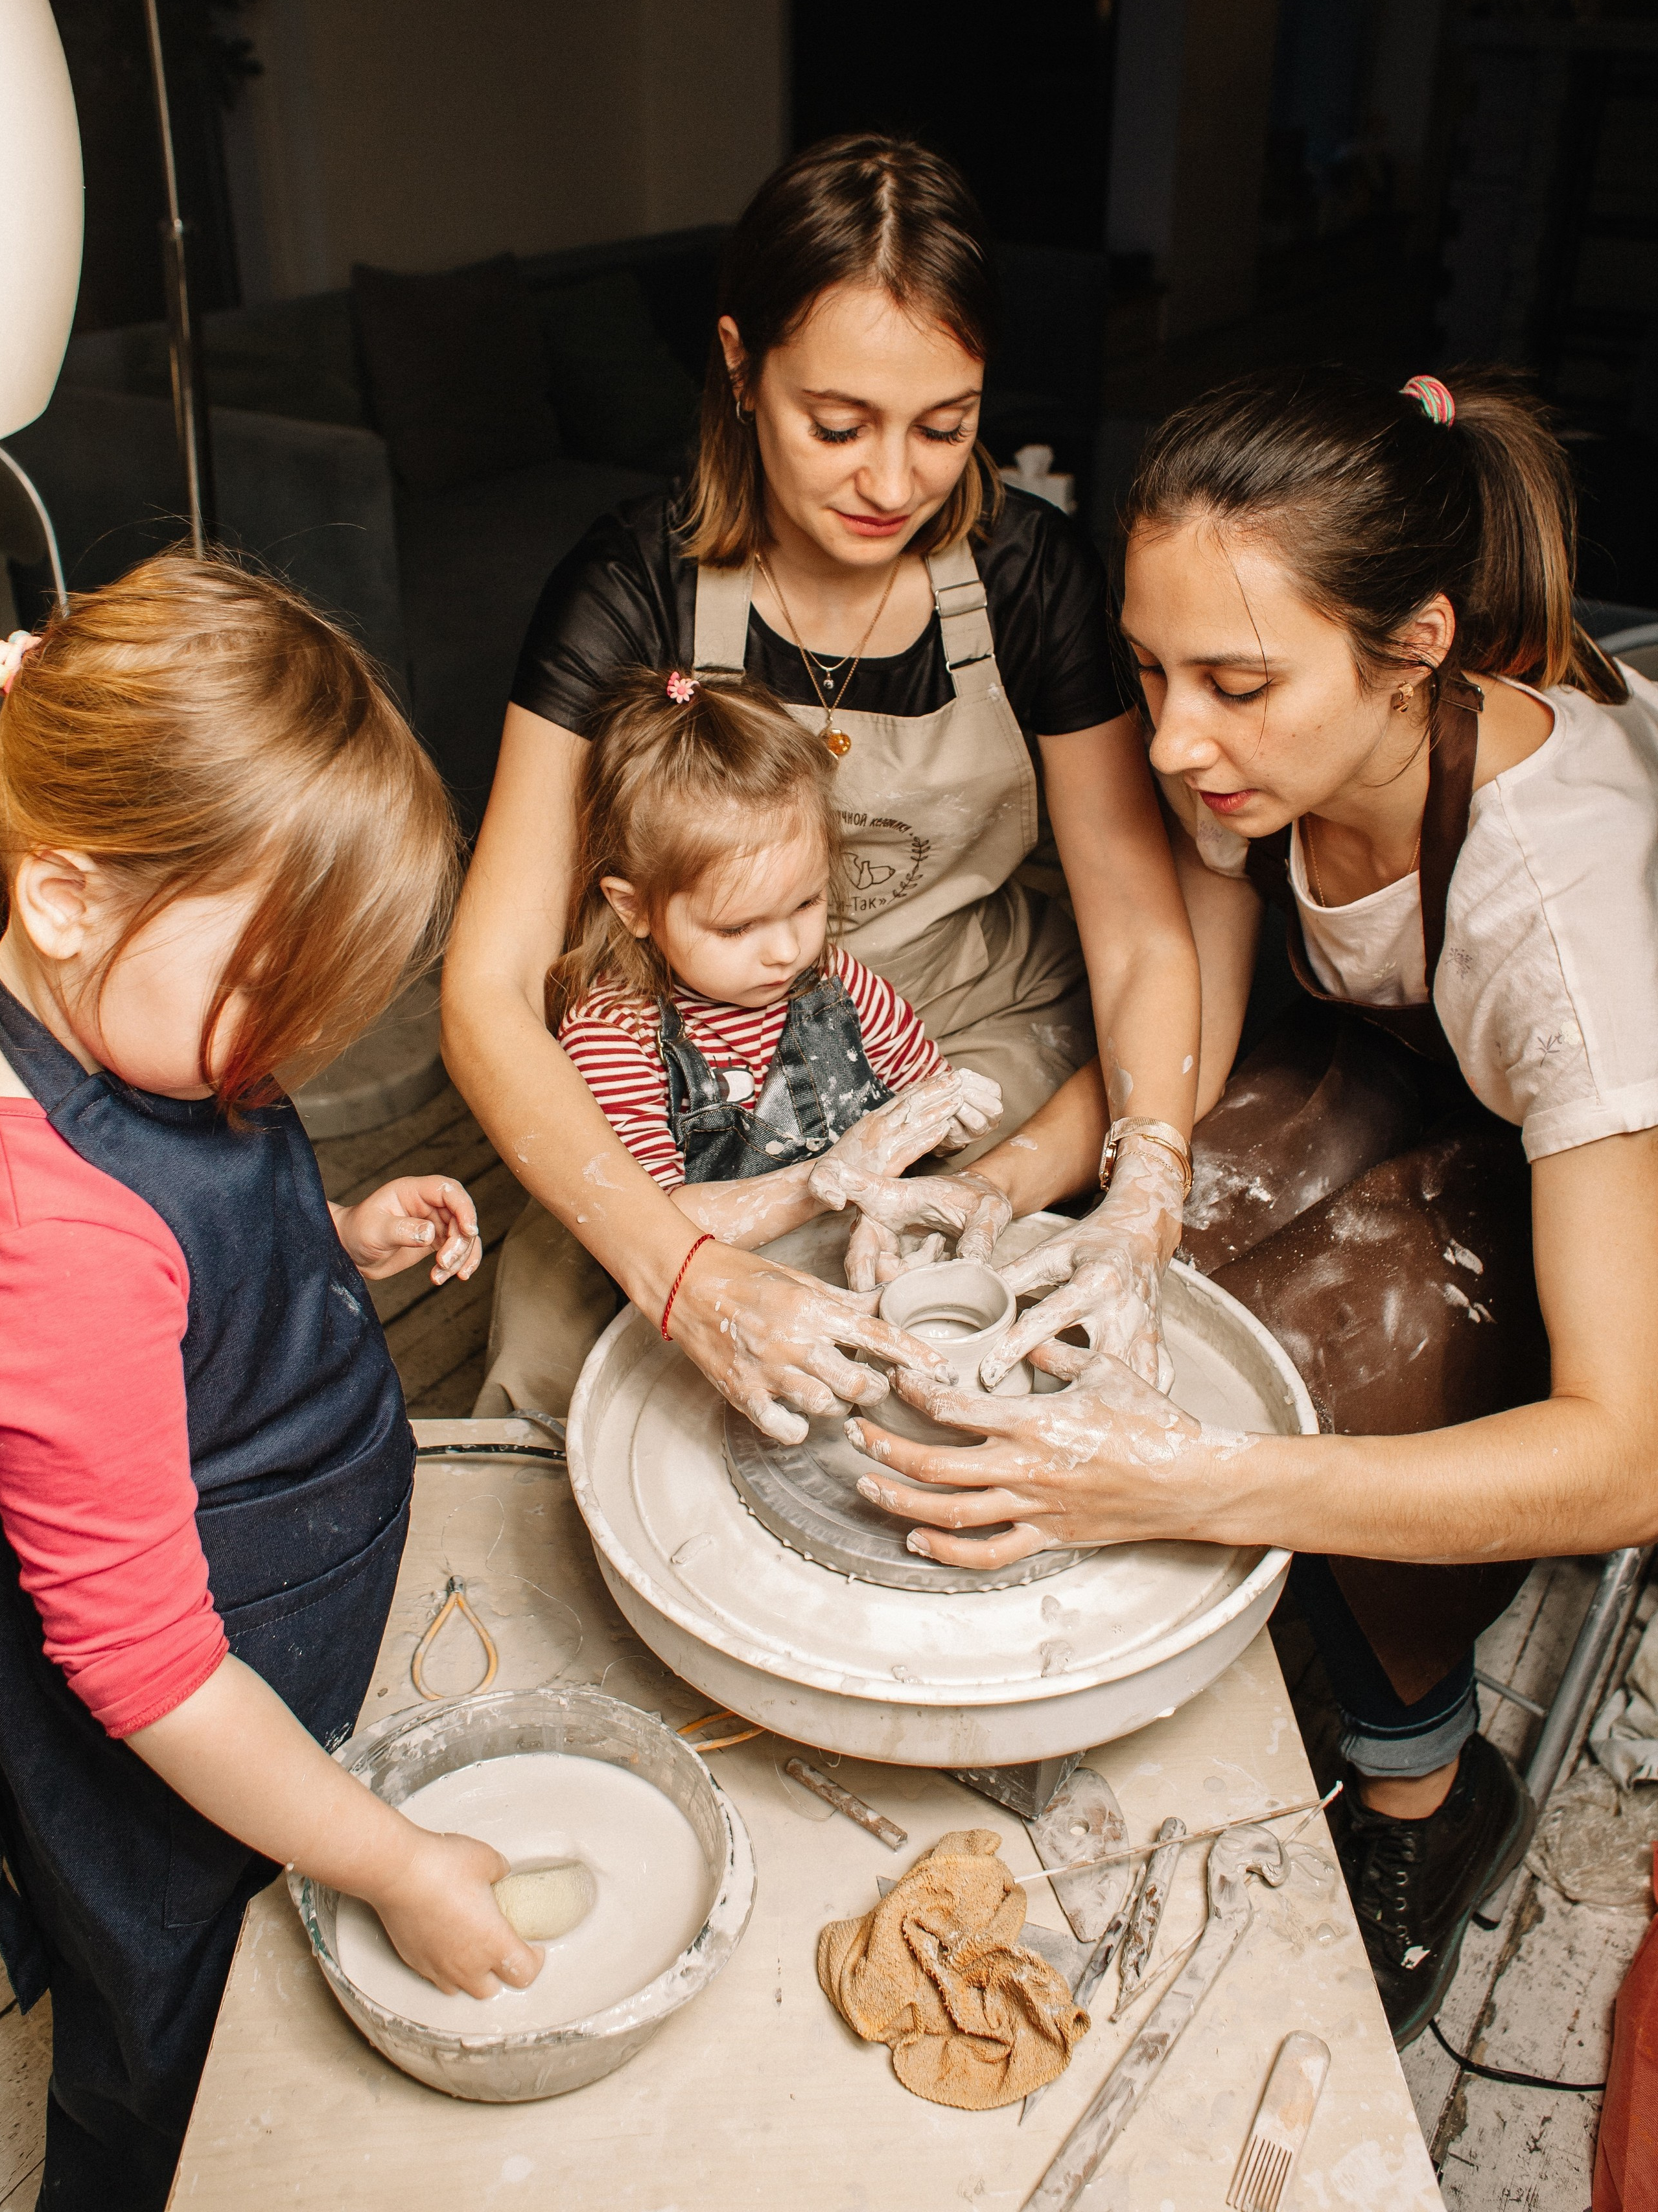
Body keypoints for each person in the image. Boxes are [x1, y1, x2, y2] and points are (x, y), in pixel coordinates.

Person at [841, 367, 1658, 2045]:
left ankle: (1427, 1805)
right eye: (1151, 670)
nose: (1172, 738)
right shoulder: (1253, 773)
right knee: (1168, 1274)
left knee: (1344, 1343)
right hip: (1427, 1058)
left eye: (1234, 683)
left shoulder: (1567, 917)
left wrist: (1190, 1484)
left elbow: (1624, 1457)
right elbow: (1183, 1059)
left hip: (1615, 1163)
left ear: (1415, 647)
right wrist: (1007, 1189)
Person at [443, 133, 1200, 1432]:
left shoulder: (1031, 578)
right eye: (837, 425)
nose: (894, 483)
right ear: (740, 368)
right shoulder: (632, 583)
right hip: (689, 1033)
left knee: (956, 1329)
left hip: (952, 1021)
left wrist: (1137, 1187)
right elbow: (488, 985)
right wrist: (680, 1273)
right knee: (565, 1342)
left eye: (945, 428)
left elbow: (1137, 939)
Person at [0, 559, 547, 2212]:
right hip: (164, 1735)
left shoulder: (135, 1011)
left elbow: (191, 1253)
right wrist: (384, 1857)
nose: (293, 1050)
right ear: (68, 899)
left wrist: (328, 1234)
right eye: (271, 991)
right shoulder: (53, 1233)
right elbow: (156, 1673)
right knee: (178, 2035)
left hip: (286, 1637)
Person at [552, 662, 1008, 1375]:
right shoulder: (616, 1037)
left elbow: (919, 1106)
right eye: (737, 929)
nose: (787, 950)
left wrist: (946, 1107)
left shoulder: (837, 983)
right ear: (633, 905)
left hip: (860, 1264)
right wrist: (830, 1175)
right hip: (717, 1314)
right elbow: (654, 1224)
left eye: (805, 904)